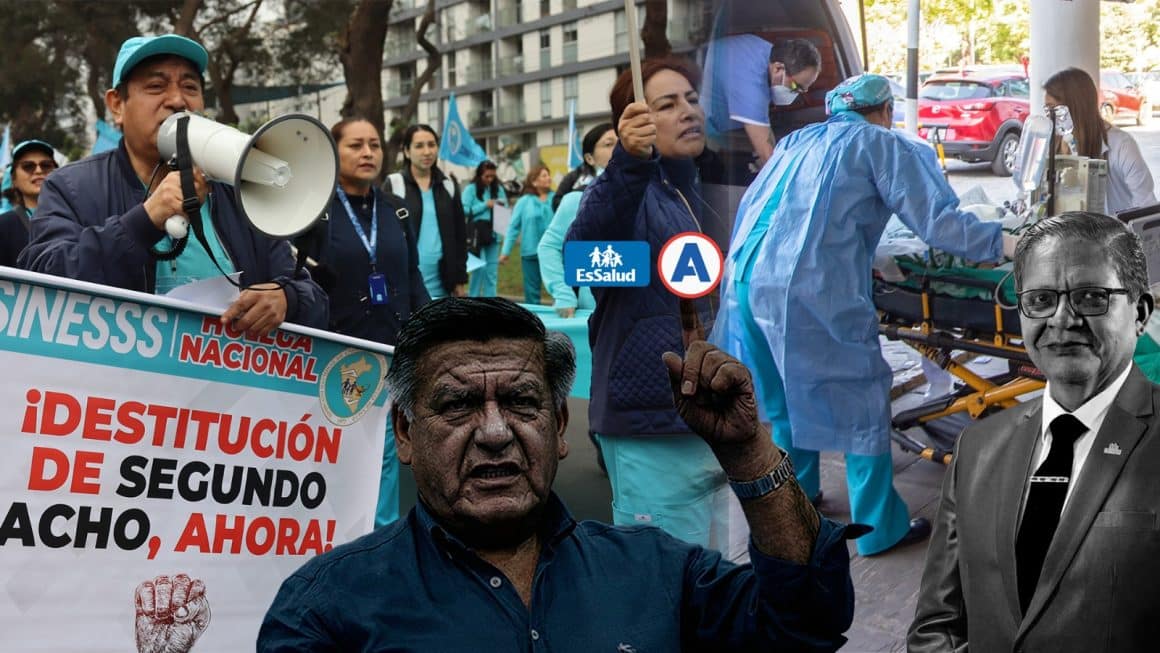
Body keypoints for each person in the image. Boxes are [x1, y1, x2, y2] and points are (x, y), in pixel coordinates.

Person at [258, 296, 865, 652]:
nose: (495, 433)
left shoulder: (657, 571)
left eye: (522, 403)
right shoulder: (328, 609)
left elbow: (807, 624)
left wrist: (748, 452)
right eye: (459, 405)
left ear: (560, 427)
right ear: (406, 434)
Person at [711, 73, 1020, 557]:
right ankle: (878, 528)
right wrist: (1005, 242)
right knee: (860, 401)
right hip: (812, 291)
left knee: (785, 399)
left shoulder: (796, 142)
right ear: (885, 111)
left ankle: (799, 500)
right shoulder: (882, 145)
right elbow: (938, 223)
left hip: (746, 282)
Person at [909, 212, 1160, 652]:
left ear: (1139, 313)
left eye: (1091, 297)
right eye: (1041, 299)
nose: (1062, 319)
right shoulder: (978, 447)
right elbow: (938, 623)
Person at [18, 34, 327, 333]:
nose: (178, 101)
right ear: (116, 104)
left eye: (190, 87)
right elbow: (43, 282)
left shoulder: (238, 192)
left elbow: (312, 297)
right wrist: (144, 221)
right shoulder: (71, 187)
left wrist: (287, 299)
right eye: (156, 86)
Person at [566, 57, 749, 560]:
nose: (687, 111)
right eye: (667, 104)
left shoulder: (694, 190)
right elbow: (583, 261)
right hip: (650, 428)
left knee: (716, 574)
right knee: (663, 580)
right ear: (633, 121)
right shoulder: (629, 192)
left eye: (691, 99)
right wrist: (627, 162)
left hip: (708, 418)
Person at [315, 117, 430, 527]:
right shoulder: (316, 210)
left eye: (374, 145)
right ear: (333, 153)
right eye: (355, 145)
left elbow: (412, 276)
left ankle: (380, 537)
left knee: (384, 452)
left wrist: (431, 329)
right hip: (336, 354)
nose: (367, 153)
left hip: (392, 349)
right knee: (341, 454)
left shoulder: (395, 209)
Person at [702, 36, 821, 182]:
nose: (797, 94)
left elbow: (763, 126)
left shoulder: (764, 53)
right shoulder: (750, 80)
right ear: (778, 68)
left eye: (803, 90)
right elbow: (768, 158)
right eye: (795, 87)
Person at [1043, 67, 1156, 215]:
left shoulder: (1121, 145)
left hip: (1115, 228)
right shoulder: (1054, 144)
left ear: (1076, 107)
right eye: (1047, 110)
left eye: (1053, 110)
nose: (1049, 117)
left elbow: (1147, 207)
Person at [539, 123, 615, 318]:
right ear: (590, 159)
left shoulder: (653, 194)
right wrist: (564, 294)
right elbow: (548, 247)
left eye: (622, 143)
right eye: (609, 144)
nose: (617, 149)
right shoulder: (577, 200)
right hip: (593, 314)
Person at [384, 124, 467, 300]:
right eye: (419, 146)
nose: (427, 152)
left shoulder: (448, 185)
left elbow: (460, 236)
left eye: (431, 145)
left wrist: (459, 279)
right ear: (407, 151)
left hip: (443, 286)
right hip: (406, 287)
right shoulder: (394, 184)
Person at [500, 164, 554, 304]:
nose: (549, 178)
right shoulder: (524, 202)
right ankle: (533, 317)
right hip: (530, 253)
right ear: (534, 181)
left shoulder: (557, 199)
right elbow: (513, 228)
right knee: (532, 294)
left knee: (557, 289)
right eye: (544, 175)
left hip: (553, 253)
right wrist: (505, 252)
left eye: (549, 175)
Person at [0, 140, 58, 267]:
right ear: (14, 179)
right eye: (28, 166)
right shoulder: (3, 225)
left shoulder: (79, 218)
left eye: (46, 165)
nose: (38, 171)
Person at [461, 159, 508, 297]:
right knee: (479, 268)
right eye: (486, 176)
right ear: (479, 175)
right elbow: (464, 210)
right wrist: (485, 205)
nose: (490, 179)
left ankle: (490, 301)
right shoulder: (471, 189)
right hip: (476, 235)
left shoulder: (498, 189)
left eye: (492, 176)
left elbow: (504, 212)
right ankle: (473, 300)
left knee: (491, 272)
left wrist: (501, 208)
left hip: (493, 234)